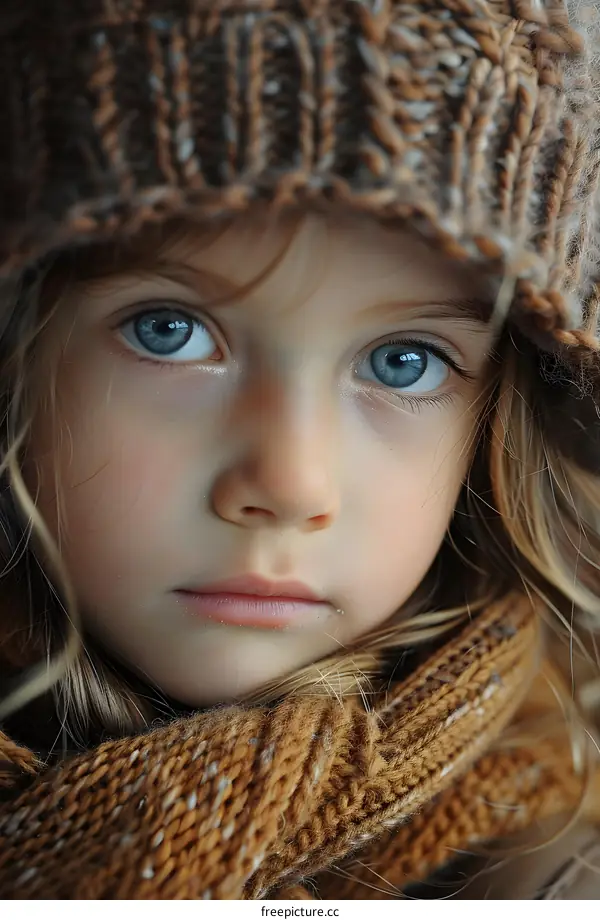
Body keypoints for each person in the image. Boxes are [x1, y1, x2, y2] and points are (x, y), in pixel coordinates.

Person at [0, 0, 599, 900]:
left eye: (405, 362)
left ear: (498, 424)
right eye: (169, 332)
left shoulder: (548, 880)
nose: (289, 483)